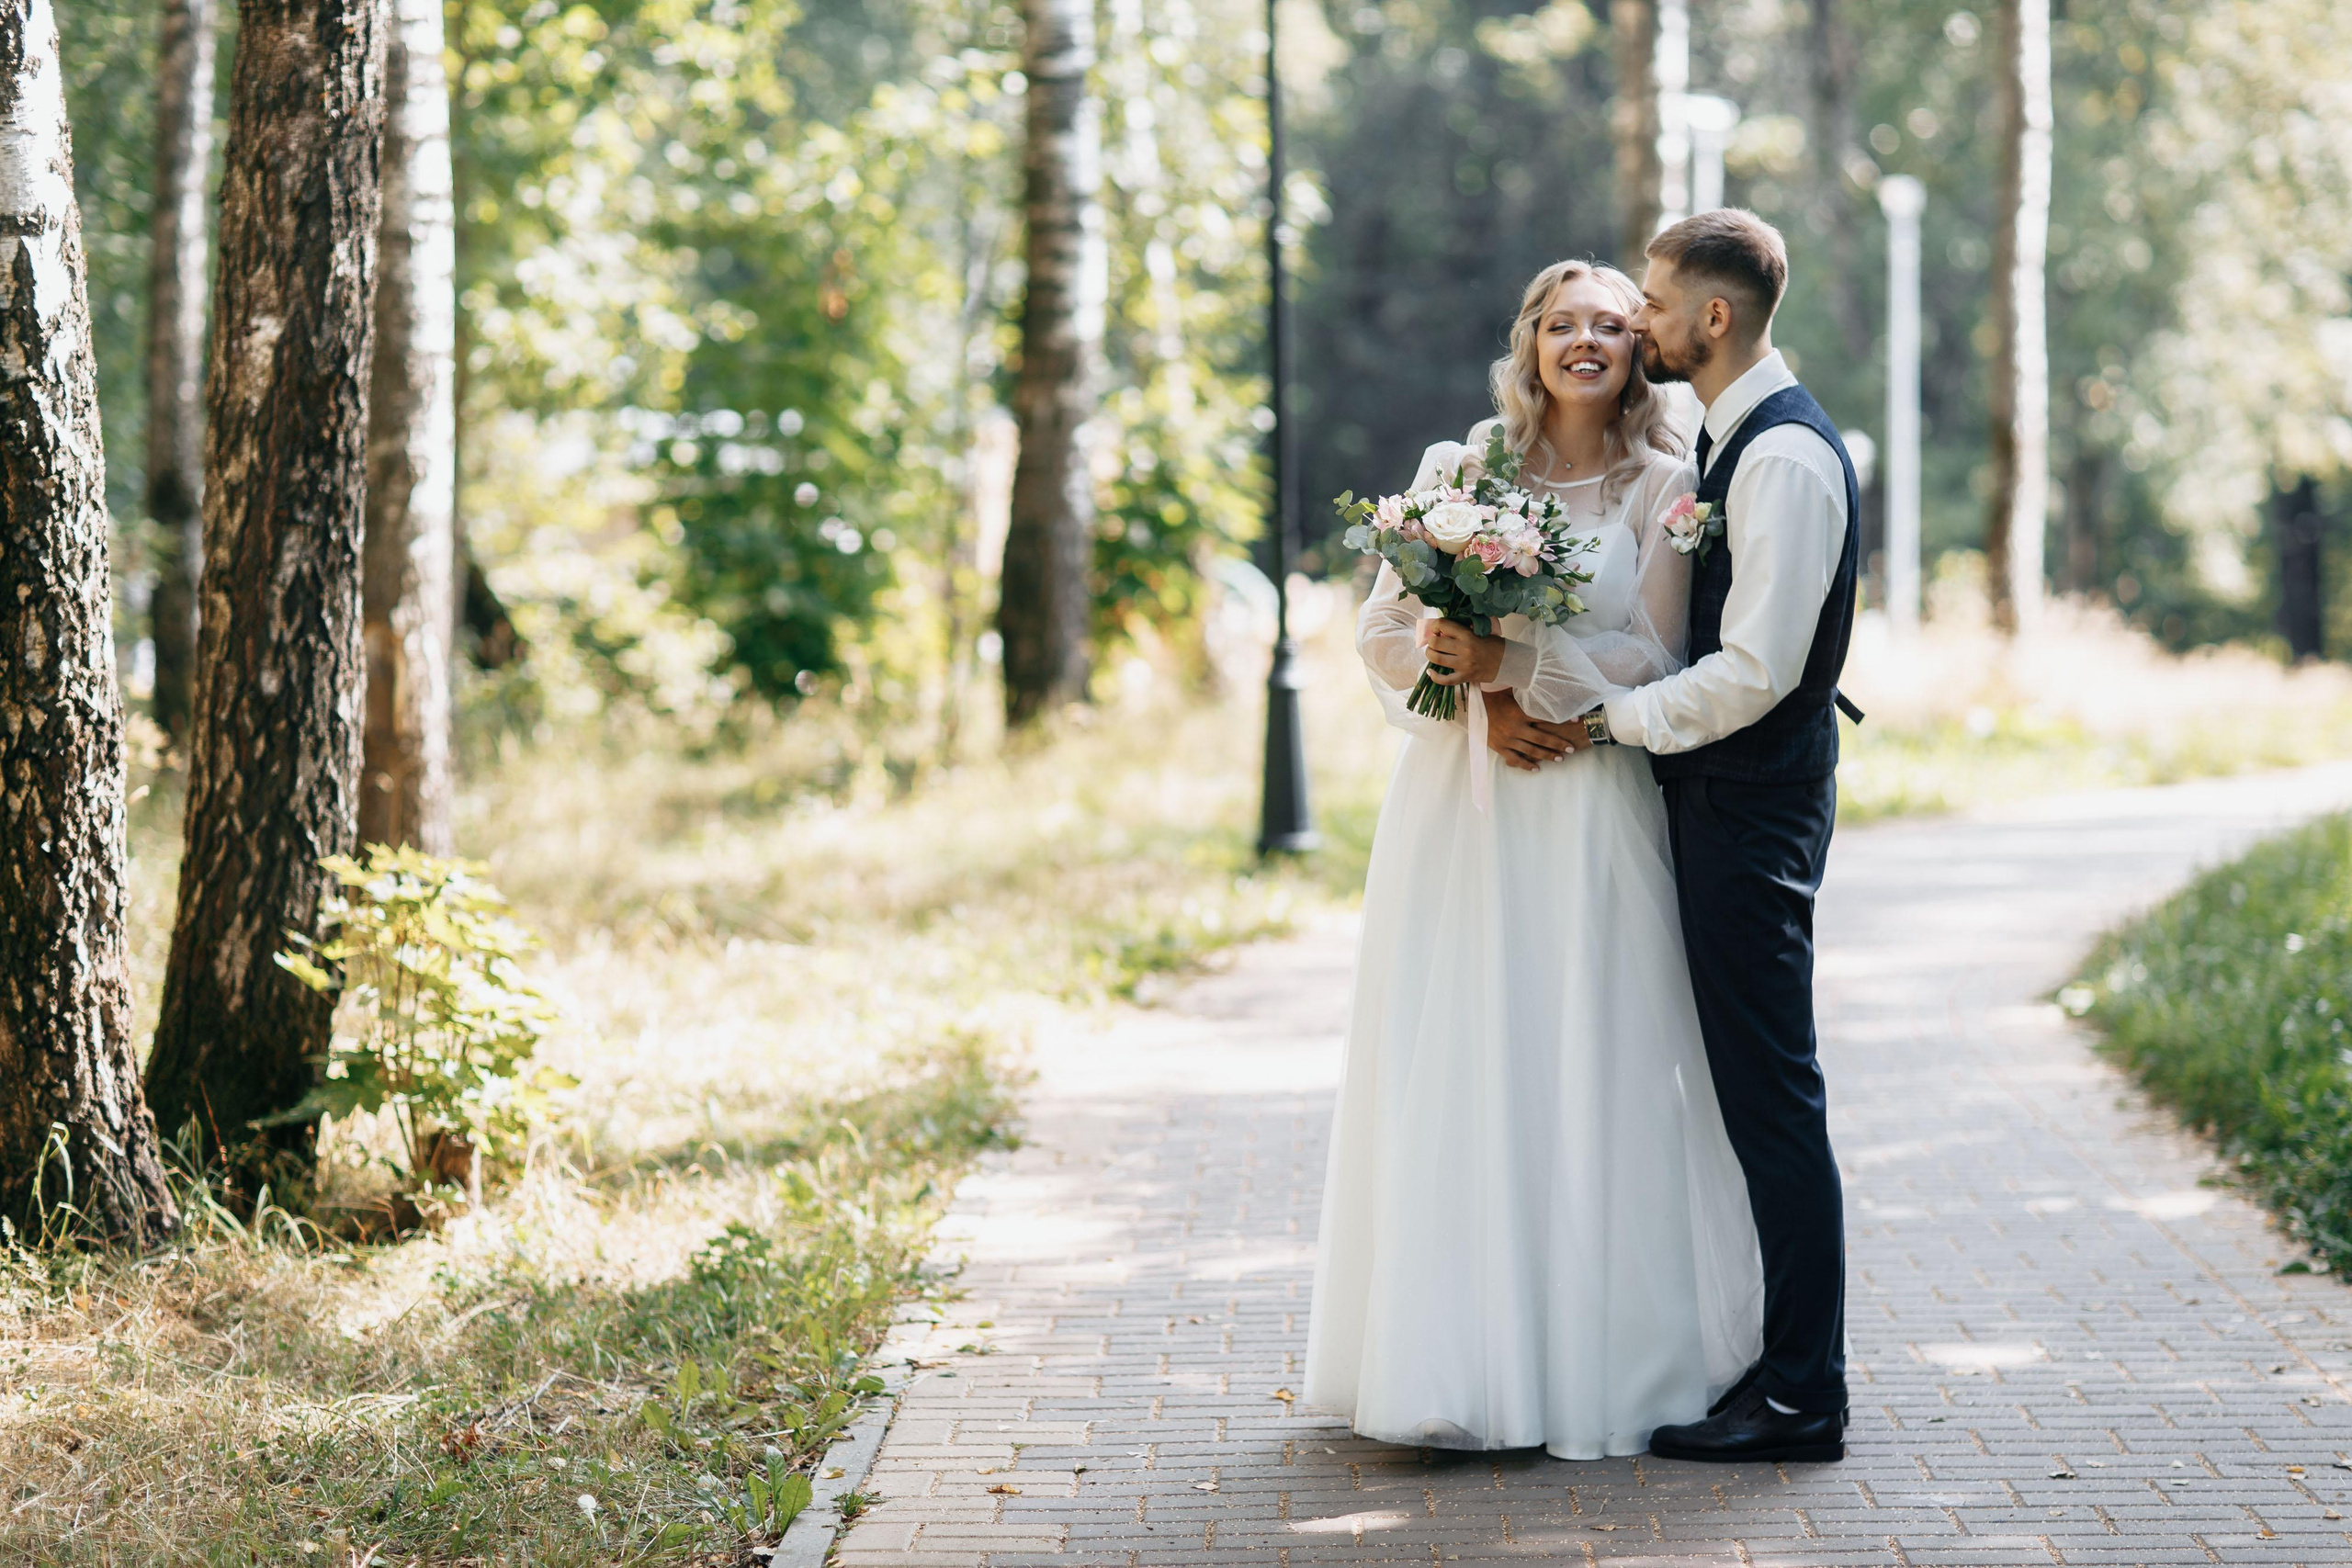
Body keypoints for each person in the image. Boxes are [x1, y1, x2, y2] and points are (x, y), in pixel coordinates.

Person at [1302, 259, 1764, 1461]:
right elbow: (1383, 627)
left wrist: (1521, 677)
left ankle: (1590, 1361)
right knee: (1456, 1052)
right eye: (1566, 324)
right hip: (1460, 807)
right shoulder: (1464, 471)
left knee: (1586, 1053)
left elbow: (1657, 664)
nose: (1589, 342)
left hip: (1588, 799)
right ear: (1532, 342)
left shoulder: (1671, 487)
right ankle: (1449, 1358)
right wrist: (1468, 688)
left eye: (1614, 324)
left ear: (1640, 349)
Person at [1535, 209, 1860, 1464]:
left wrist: (1609, 722)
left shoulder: (1779, 459)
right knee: (1753, 1099)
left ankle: (1801, 1402)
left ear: (1712, 318)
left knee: (1774, 1103)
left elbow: (1761, 669)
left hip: (1752, 811)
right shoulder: (1740, 441)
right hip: (1726, 803)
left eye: (1657, 306)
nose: (1643, 326)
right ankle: (1776, 1375)